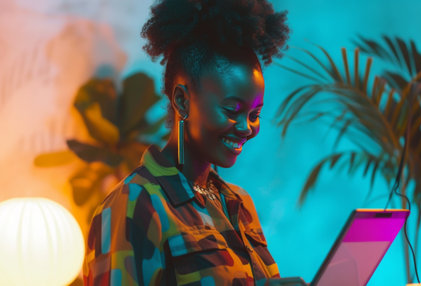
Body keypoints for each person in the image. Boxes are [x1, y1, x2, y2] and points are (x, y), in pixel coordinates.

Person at [83, 0, 305, 285]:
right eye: (232, 110)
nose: (246, 128)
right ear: (182, 101)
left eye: (254, 114)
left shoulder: (239, 203)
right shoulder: (135, 203)